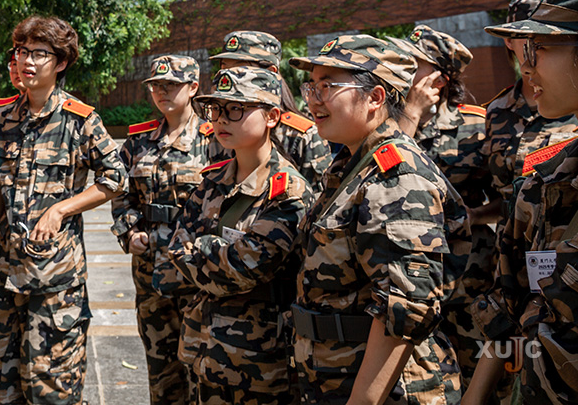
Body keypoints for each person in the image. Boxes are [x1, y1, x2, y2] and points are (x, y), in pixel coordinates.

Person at [289, 34, 470, 404]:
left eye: (328, 86)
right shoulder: (353, 165)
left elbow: (405, 308)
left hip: (391, 390)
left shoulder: (396, 176)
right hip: (336, 376)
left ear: (375, 97)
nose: (314, 99)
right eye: (312, 86)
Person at [0, 16, 127, 405]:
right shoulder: (3, 118)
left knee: (50, 387)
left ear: (61, 62)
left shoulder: (80, 119)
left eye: (39, 53)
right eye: (22, 51)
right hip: (3, 272)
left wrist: (61, 210)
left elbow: (115, 177)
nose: (27, 61)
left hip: (55, 276)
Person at [162, 66, 310, 405]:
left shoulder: (288, 192)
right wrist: (217, 253)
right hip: (203, 350)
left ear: (272, 116)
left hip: (259, 366)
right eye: (215, 109)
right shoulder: (213, 181)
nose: (221, 120)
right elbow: (176, 249)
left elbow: (243, 269)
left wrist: (201, 250)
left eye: (236, 109)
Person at [464, 0, 578, 405]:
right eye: (523, 50)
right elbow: (516, 301)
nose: (525, 68)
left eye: (539, 49)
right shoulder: (543, 183)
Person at [109, 54, 220, 405]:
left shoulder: (215, 139)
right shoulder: (138, 141)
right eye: (156, 85)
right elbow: (121, 195)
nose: (162, 91)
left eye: (171, 84)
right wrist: (129, 232)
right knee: (160, 370)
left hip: (196, 276)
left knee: (203, 369)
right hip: (150, 275)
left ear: (193, 87)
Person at [390, 25, 492, 385]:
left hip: (467, 283)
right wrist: (412, 113)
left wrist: (476, 214)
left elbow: (511, 199)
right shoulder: (391, 120)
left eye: (413, 63)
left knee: (477, 377)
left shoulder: (477, 125)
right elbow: (387, 169)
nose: (403, 68)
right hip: (409, 282)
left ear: (440, 78)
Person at [483, 0, 578, 217]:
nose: (527, 65)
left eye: (540, 45)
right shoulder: (497, 110)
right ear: (509, 42)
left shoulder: (566, 101)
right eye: (528, 42)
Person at [211, 30, 332, 193]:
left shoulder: (301, 136)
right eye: (224, 67)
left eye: (240, 68)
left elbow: (318, 201)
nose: (229, 76)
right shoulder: (218, 132)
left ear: (271, 71)